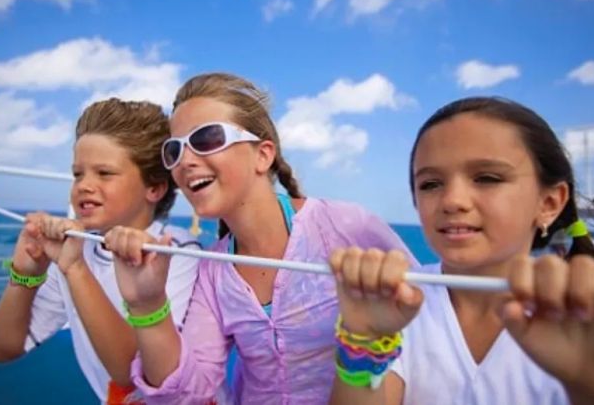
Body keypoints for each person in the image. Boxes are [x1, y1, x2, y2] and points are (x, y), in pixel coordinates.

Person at [102, 72, 419, 404]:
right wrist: (147, 305)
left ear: (263, 155)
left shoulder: (345, 225)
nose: (186, 161)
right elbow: (188, 394)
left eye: (207, 138)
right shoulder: (213, 272)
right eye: (174, 150)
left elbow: (430, 314)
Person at [328, 97, 594, 405]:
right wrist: (363, 342)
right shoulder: (399, 300)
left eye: (487, 178)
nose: (452, 200)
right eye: (430, 184)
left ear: (549, 204)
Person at [0, 98, 201, 404]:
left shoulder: (176, 251)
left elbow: (134, 376)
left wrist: (75, 270)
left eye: (104, 173)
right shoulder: (77, 247)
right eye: (78, 174)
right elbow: (2, 349)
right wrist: (25, 275)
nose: (84, 186)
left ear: (154, 188)